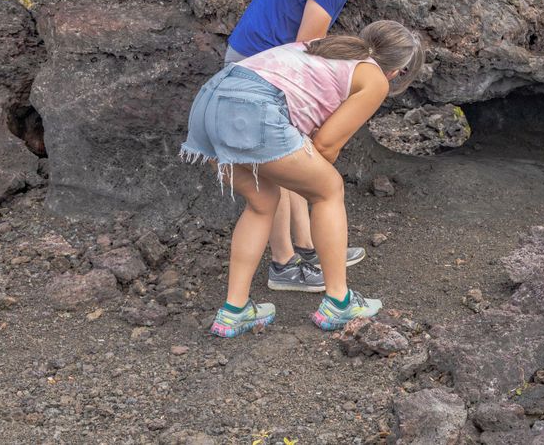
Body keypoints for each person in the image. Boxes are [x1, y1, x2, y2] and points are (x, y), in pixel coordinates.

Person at [180, 20, 424, 337]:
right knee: (329, 189)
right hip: (252, 108)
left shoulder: (328, 47)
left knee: (262, 202)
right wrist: (309, 180)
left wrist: (295, 171)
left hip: (210, 103)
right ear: (399, 70)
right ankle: (339, 302)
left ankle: (233, 311)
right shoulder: (375, 78)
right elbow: (326, 144)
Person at [225, 0, 413, 292]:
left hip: (259, 63)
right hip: (258, 69)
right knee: (280, 167)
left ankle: (311, 248)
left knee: (293, 159)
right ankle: (284, 264)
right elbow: (308, 43)